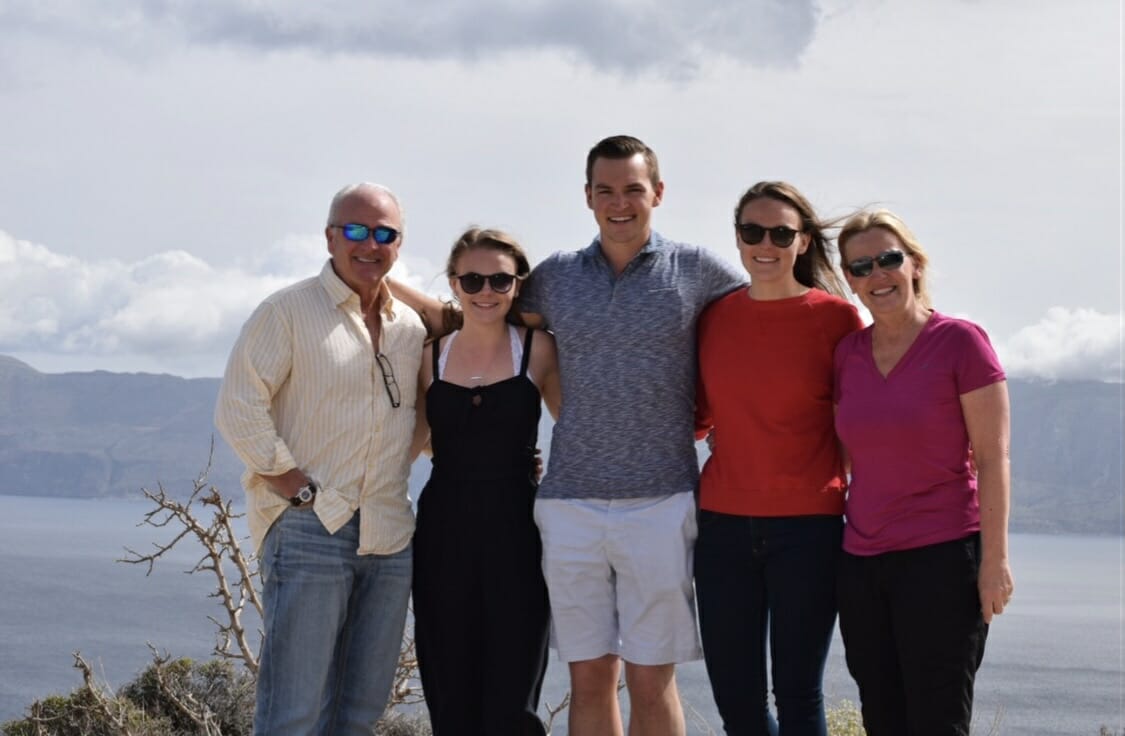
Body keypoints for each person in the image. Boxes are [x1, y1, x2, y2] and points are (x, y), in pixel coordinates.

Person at [388, 135, 746, 734]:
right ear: (587, 197)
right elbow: (478, 309)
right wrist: (378, 283)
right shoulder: (553, 277)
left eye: (633, 189)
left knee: (652, 679)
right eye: (605, 190)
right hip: (569, 503)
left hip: (661, 499)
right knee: (589, 677)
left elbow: (765, 316)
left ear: (657, 192)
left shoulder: (699, 270)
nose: (620, 203)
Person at [214, 182, 427, 735]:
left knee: (360, 713)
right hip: (310, 527)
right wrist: (297, 488)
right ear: (330, 237)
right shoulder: (286, 311)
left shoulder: (411, 329)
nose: (369, 244)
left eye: (384, 234)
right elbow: (239, 406)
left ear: (399, 244)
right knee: (294, 713)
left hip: (390, 535)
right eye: (355, 230)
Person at [832, 209, 1014, 736]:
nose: (877, 275)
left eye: (889, 259)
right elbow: (842, 451)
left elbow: (994, 458)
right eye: (861, 266)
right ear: (850, 279)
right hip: (862, 565)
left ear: (914, 264)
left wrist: (995, 562)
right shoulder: (848, 353)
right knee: (882, 717)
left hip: (943, 560)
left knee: (937, 721)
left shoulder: (960, 342)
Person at [693, 181, 863, 736]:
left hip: (809, 530)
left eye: (781, 233)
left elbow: (865, 421)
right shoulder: (714, 317)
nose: (765, 244)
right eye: (752, 231)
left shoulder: (839, 321)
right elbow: (693, 416)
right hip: (721, 527)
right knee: (736, 700)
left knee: (797, 694)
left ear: (805, 241)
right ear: (737, 238)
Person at [410, 227, 561, 735]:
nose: (485, 292)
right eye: (472, 279)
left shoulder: (540, 349)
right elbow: (403, 446)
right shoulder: (430, 356)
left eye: (500, 280)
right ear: (453, 283)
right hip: (442, 532)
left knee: (512, 696)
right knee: (449, 687)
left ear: (518, 284)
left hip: (518, 532)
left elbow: (579, 427)